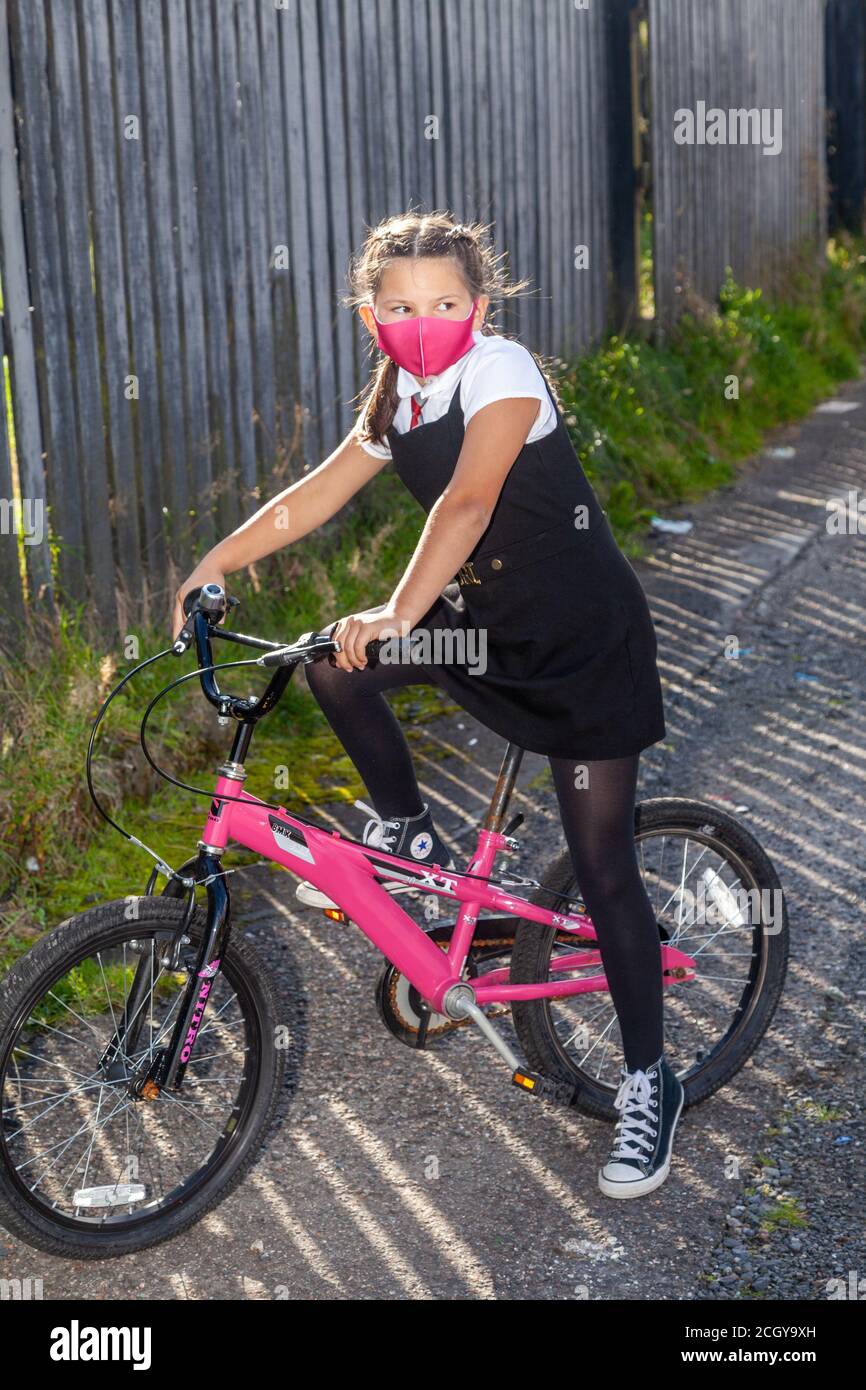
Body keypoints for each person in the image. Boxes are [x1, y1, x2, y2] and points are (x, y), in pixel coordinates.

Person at [173, 210, 683, 1199]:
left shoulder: (501, 371)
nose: (423, 321)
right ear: (371, 316)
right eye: (400, 307)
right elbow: (310, 498)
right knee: (336, 659)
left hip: (581, 645)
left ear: (477, 307)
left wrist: (400, 608)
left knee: (602, 868)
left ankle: (645, 1080)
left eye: (444, 303)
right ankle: (411, 839)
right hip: (485, 628)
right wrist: (214, 562)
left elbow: (467, 502)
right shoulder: (398, 397)